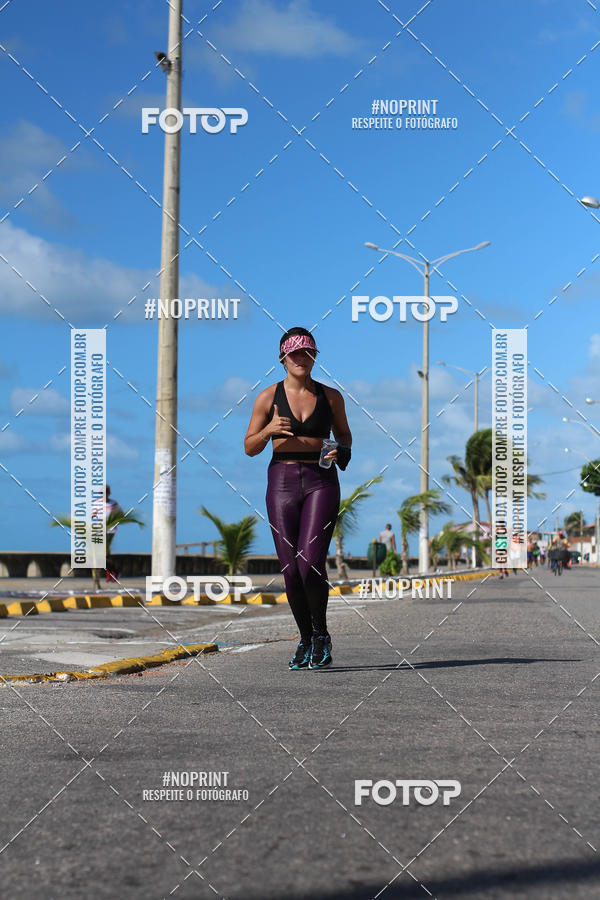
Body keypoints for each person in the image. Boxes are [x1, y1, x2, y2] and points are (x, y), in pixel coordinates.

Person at [244, 327, 352, 670]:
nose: (301, 359)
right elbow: (249, 447)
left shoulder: (332, 397)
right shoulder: (267, 398)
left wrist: (339, 451)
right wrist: (268, 432)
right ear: (282, 358)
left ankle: (321, 635)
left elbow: (345, 439)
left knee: (309, 562)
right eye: (294, 354)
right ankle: (305, 639)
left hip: (322, 481)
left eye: (307, 353)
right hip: (282, 481)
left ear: (315, 356)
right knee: (290, 569)